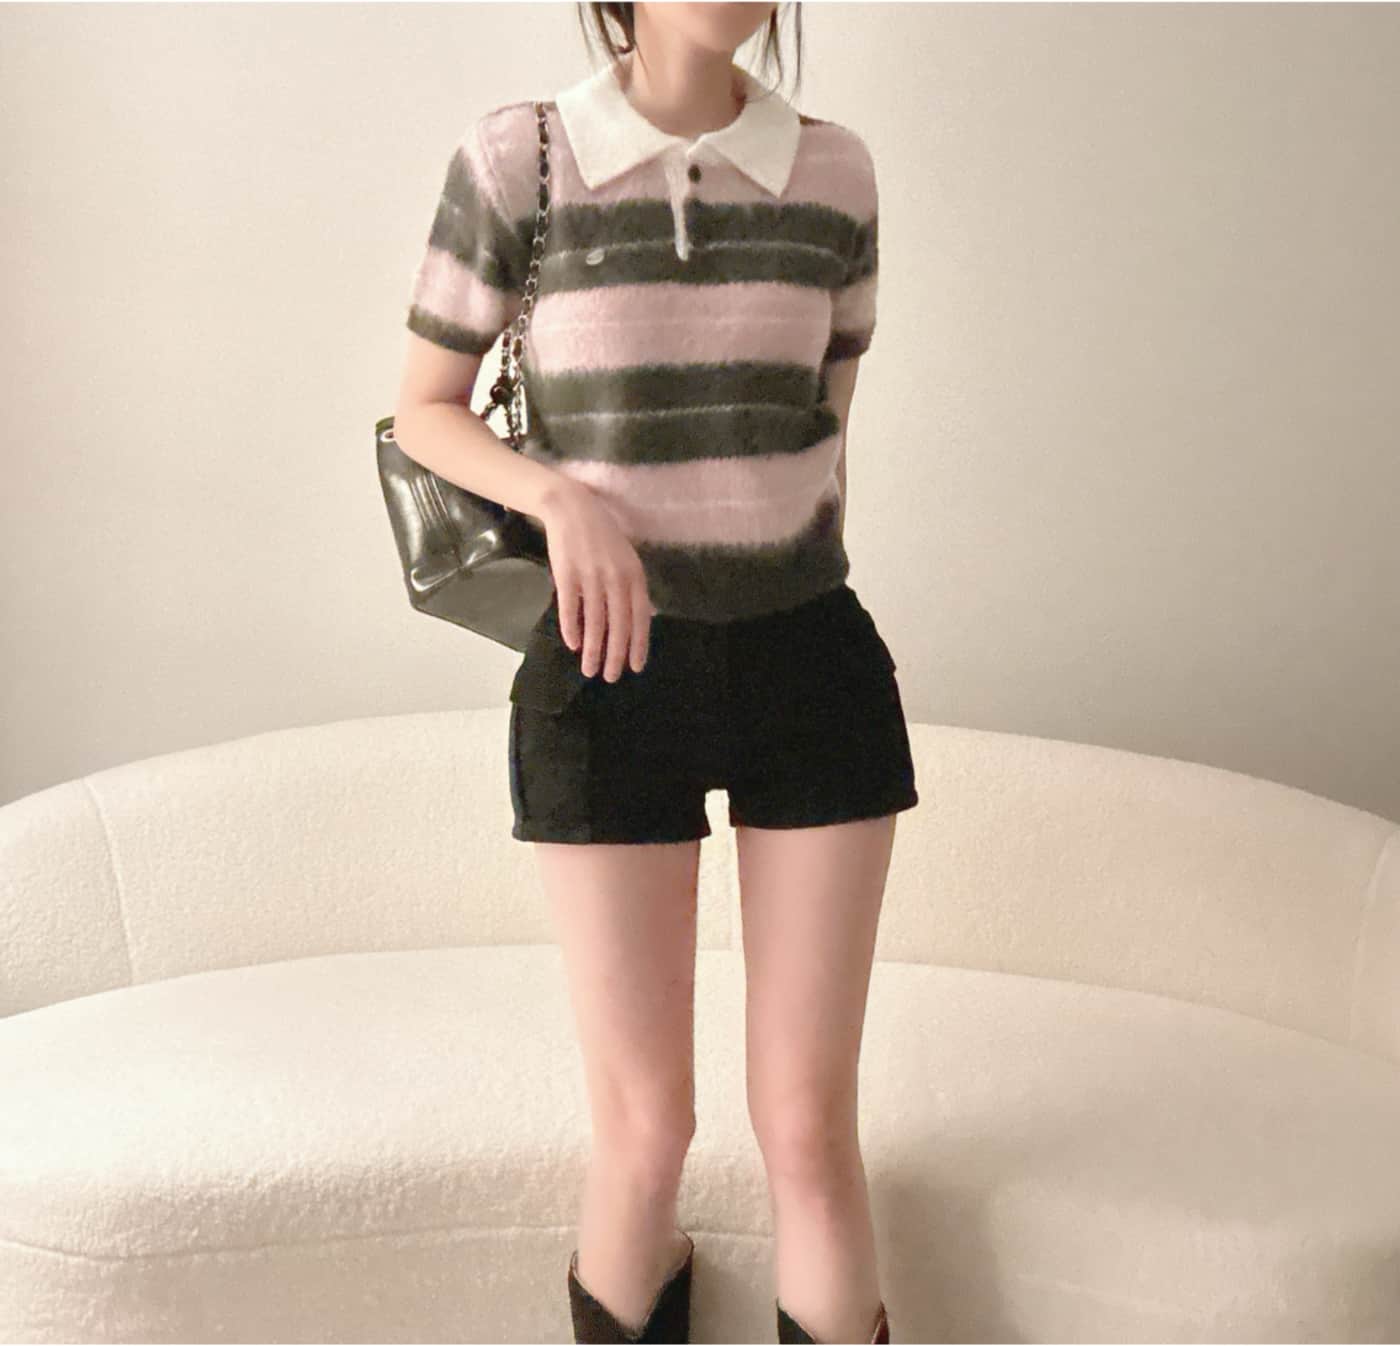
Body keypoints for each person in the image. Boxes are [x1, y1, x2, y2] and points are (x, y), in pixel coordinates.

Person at [393, 4, 913, 1342]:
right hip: (605, 670)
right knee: (644, 1131)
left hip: (809, 660)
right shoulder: (522, 160)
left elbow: (825, 434)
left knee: (809, 1129)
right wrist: (560, 499)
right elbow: (425, 408)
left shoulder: (836, 172)